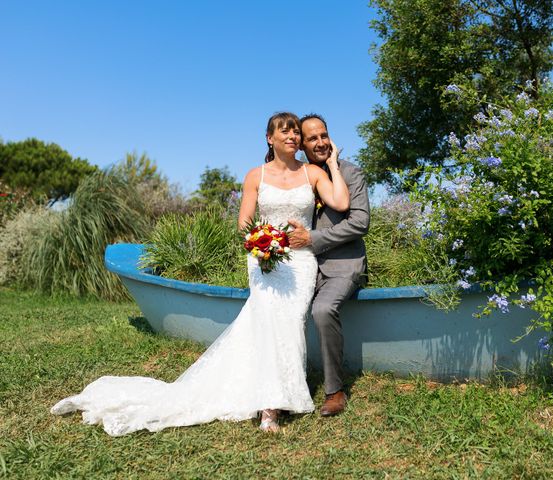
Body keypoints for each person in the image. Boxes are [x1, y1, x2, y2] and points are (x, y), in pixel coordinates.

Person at [50, 112, 349, 435]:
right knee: (267, 323)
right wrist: (267, 242)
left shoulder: (311, 174)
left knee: (289, 323)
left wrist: (332, 163)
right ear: (269, 138)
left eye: (295, 132)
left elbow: (341, 202)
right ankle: (269, 406)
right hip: (266, 260)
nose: (291, 136)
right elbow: (244, 224)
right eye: (284, 131)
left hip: (300, 262)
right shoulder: (255, 176)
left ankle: (279, 393)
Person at [288, 114, 370, 417]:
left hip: (342, 264)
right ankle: (283, 388)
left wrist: (313, 238)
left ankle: (334, 391)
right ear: (301, 145)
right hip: (301, 265)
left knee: (322, 309)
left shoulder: (351, 172)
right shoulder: (298, 176)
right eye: (312, 138)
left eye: (324, 135)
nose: (320, 142)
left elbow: (360, 223)